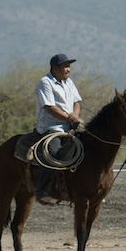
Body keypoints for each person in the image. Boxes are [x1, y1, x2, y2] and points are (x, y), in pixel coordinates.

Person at [34, 53, 83, 204]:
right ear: (55, 68)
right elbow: (50, 108)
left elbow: (76, 102)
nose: (68, 69)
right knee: (53, 152)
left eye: (69, 66)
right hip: (51, 126)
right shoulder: (45, 82)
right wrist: (70, 118)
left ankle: (88, 187)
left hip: (69, 126)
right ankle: (43, 190)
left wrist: (74, 116)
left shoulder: (69, 83)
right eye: (65, 66)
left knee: (89, 147)